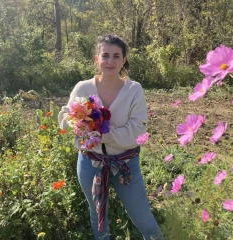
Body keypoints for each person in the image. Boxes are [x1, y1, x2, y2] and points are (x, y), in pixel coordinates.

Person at [58, 34, 163, 240]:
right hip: (90, 164)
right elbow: (66, 119)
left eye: (116, 56)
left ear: (124, 60)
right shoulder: (82, 88)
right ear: (96, 59)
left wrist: (99, 133)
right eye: (105, 55)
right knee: (98, 218)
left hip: (125, 165)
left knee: (145, 221)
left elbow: (136, 133)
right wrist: (77, 122)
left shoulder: (134, 90)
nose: (110, 61)